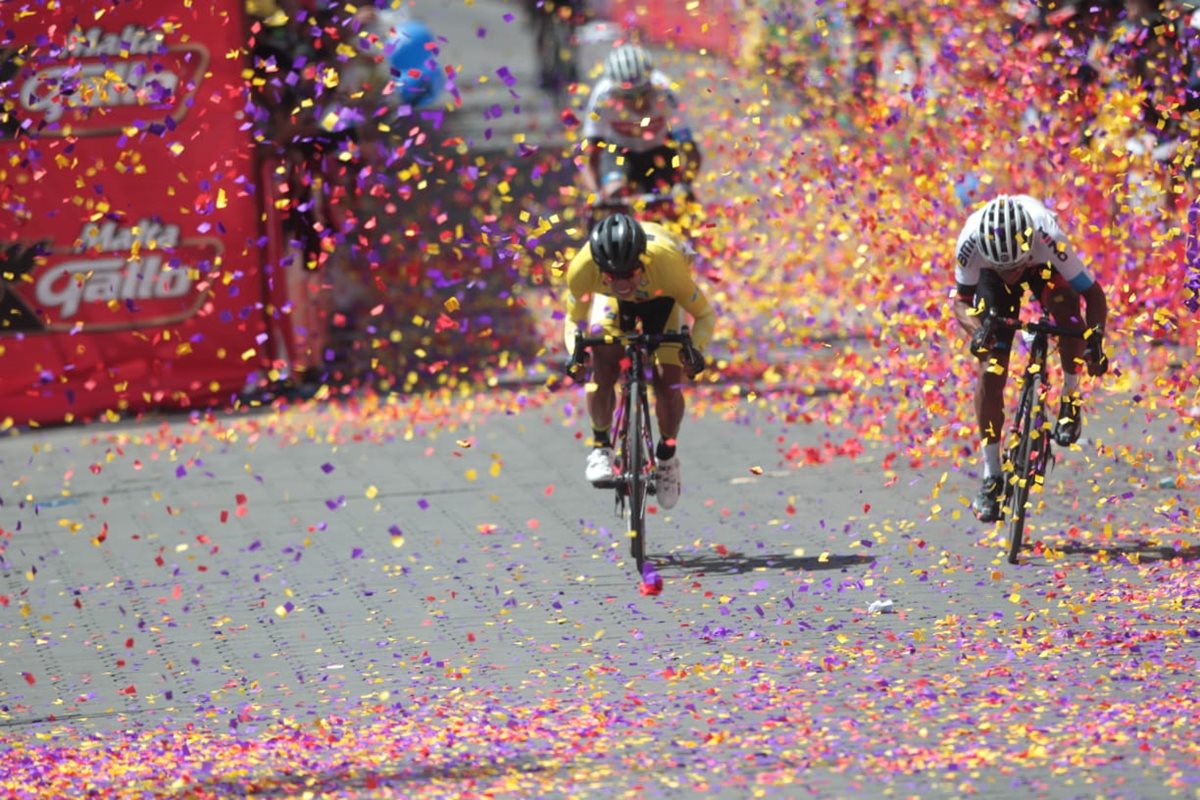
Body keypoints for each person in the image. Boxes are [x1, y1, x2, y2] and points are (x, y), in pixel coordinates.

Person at [952, 195, 1110, 523]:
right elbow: (961, 302)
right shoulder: (971, 242)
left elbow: (1093, 295)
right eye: (1004, 268)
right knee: (990, 368)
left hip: (1041, 266)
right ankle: (991, 475)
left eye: (1014, 266)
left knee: (1067, 315)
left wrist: (1095, 343)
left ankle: (1069, 396)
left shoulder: (1047, 235)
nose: (1011, 275)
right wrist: (977, 331)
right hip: (988, 277)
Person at [563, 213, 715, 509]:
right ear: (599, 269)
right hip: (614, 310)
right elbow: (573, 320)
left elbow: (706, 315)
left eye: (629, 274)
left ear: (641, 262)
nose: (621, 284)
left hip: (662, 299)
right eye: (611, 277)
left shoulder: (669, 267)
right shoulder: (582, 270)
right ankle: (600, 447)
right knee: (603, 365)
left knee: (668, 384)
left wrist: (694, 350)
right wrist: (576, 352)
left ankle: (667, 456)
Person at [578, 43, 703, 203]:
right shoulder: (602, 98)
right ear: (614, 89)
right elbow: (590, 153)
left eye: (643, 92)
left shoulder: (666, 92)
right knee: (614, 194)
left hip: (659, 150)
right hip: (619, 151)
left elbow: (690, 148)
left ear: (651, 82)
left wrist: (685, 184)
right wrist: (596, 192)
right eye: (627, 95)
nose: (636, 100)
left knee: (677, 201)